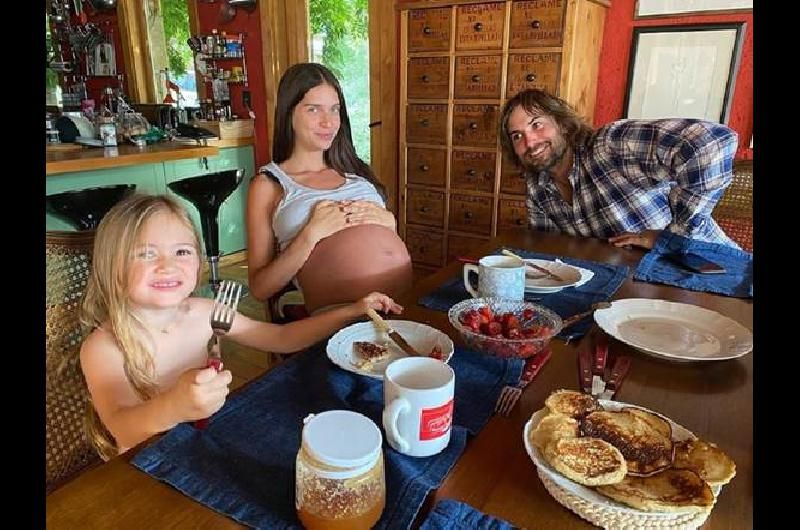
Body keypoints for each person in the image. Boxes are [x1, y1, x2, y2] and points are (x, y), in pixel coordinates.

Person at [79, 194, 403, 459]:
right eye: (146, 254)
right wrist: (173, 407)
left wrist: (351, 310)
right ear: (111, 267)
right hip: (145, 465)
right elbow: (121, 428)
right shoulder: (103, 347)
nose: (168, 265)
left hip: (204, 441)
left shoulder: (205, 312)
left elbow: (282, 338)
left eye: (182, 251)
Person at [246, 62, 413, 315]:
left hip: (402, 306)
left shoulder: (356, 173)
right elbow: (260, 289)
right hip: (343, 320)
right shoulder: (269, 184)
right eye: (314, 109)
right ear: (288, 113)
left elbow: (375, 242)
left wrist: (390, 223)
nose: (328, 122)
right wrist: (310, 235)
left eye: (334, 109)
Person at [498, 88, 740, 250]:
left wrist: (674, 236)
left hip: (711, 268)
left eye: (537, 125)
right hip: (635, 283)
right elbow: (549, 249)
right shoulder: (537, 186)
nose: (530, 142)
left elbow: (709, 142)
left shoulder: (611, 146)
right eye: (517, 136)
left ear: (562, 124)